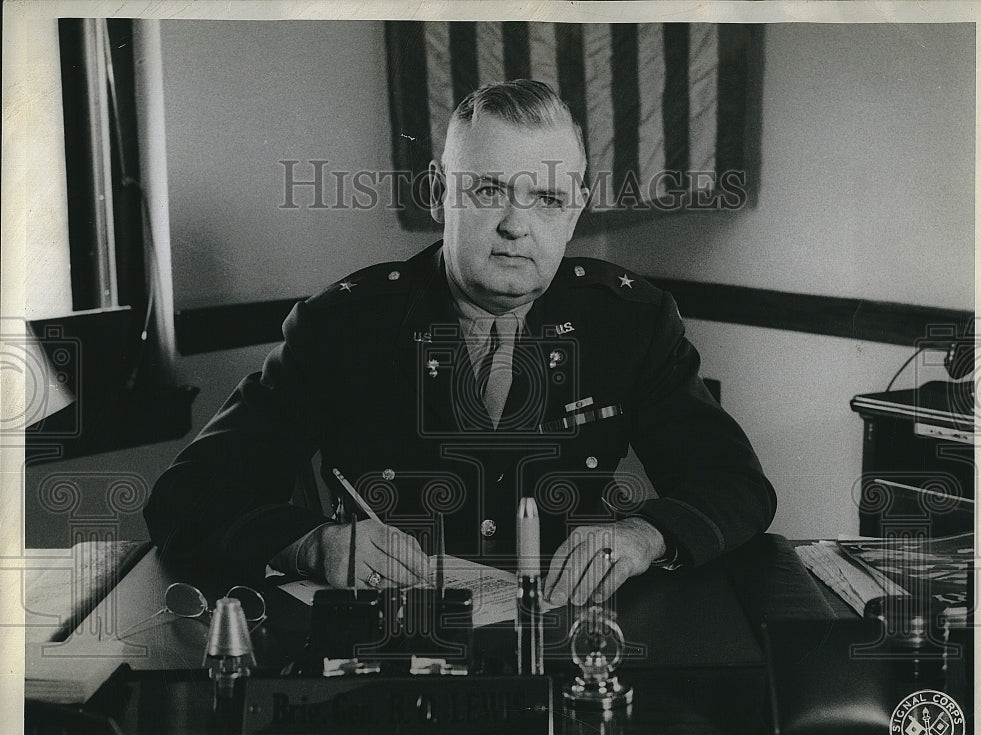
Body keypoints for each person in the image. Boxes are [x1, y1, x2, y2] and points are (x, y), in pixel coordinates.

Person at [144, 80, 776, 606]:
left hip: (555, 637)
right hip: (393, 645)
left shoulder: (629, 322)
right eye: (487, 190)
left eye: (547, 199)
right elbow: (185, 500)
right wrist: (311, 544)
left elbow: (736, 483)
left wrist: (644, 536)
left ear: (578, 208)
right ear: (440, 189)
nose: (515, 226)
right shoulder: (344, 326)